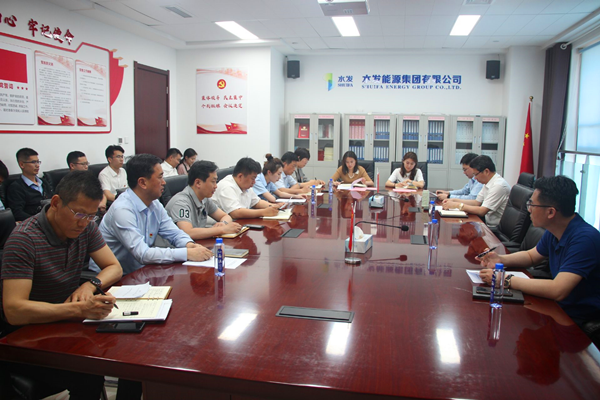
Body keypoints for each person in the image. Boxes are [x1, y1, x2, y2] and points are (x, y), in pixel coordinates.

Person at [0, 170, 122, 400]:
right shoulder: (24, 240)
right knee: (89, 372)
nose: (83, 223)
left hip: (63, 324)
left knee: (126, 349)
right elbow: (14, 311)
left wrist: (90, 285)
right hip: (27, 335)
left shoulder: (85, 228)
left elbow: (114, 267)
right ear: (56, 203)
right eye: (79, 214)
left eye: (91, 216)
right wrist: (78, 309)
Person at [478, 176, 600, 346]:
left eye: (532, 205)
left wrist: (505, 279)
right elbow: (531, 256)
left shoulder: (585, 239)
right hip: (555, 307)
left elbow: (558, 290)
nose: (529, 210)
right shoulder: (557, 229)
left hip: (573, 321)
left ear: (551, 212)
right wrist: (500, 259)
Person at [90, 154, 213, 275]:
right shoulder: (122, 210)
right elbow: (142, 254)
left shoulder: (154, 204)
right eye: (160, 177)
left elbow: (174, 233)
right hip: (111, 278)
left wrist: (189, 245)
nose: (164, 182)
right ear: (142, 182)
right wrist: (186, 253)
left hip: (140, 271)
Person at [166, 160, 242, 240]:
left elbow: (225, 216)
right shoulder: (180, 203)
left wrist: (223, 223)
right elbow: (188, 232)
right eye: (213, 182)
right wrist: (221, 229)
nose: (216, 186)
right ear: (198, 183)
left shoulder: (204, 199)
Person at [442, 155, 509, 228]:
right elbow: (476, 202)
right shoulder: (488, 182)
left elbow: (482, 211)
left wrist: (458, 205)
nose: (475, 178)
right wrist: (453, 200)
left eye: (476, 174)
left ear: (486, 171)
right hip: (487, 223)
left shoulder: (498, 186)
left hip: (495, 228)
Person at [212, 157, 282, 219]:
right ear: (240, 176)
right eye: (253, 178)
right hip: (220, 225)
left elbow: (257, 202)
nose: (254, 182)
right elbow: (235, 213)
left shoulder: (245, 186)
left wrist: (273, 206)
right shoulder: (226, 186)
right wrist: (263, 212)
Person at [7, 148, 54, 221]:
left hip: (51, 218)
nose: (37, 165)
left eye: (38, 162)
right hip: (34, 222)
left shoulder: (43, 182)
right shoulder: (16, 187)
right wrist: (38, 220)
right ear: (22, 164)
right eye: (33, 162)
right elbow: (17, 212)